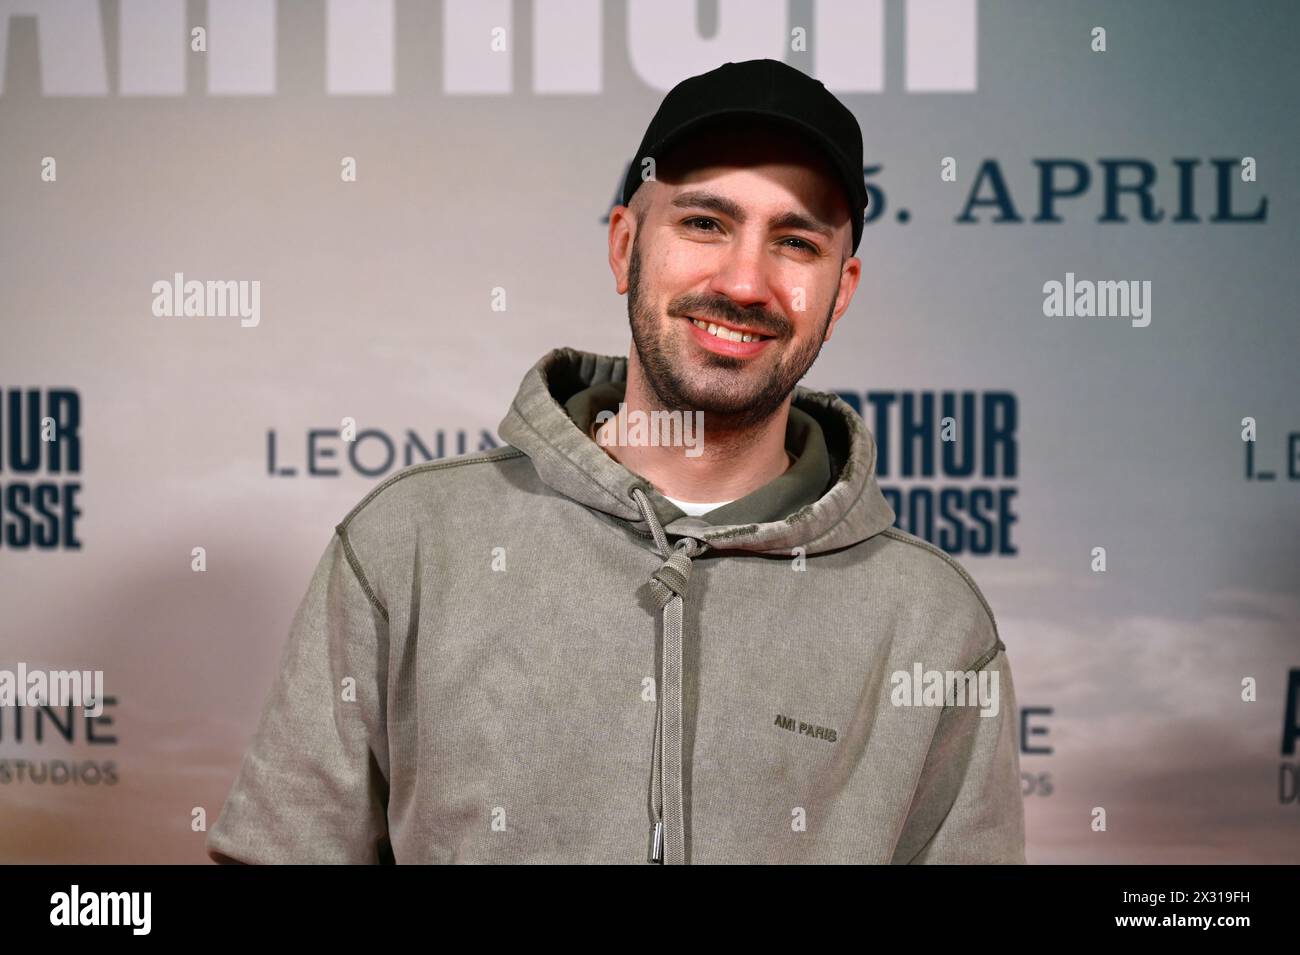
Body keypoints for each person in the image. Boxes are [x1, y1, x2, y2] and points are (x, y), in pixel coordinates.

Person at [208, 58, 1025, 864]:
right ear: (625, 246)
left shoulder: (933, 626)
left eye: (796, 241)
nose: (745, 282)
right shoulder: (411, 545)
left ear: (840, 293)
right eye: (704, 223)